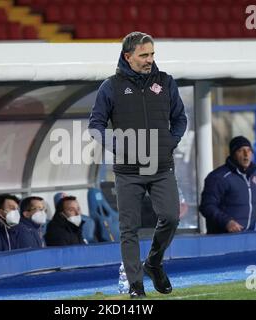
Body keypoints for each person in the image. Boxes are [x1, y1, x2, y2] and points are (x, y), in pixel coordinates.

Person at [88, 32, 187, 298]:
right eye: (144, 55)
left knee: (171, 217)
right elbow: (95, 126)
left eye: (152, 54)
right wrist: (119, 146)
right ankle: (136, 286)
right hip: (128, 171)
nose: (149, 60)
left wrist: (171, 141)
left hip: (161, 166)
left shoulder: (166, 82)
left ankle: (153, 263)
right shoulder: (110, 87)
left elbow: (180, 119)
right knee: (128, 229)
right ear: (127, 56)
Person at [200, 136, 256, 234]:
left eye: (249, 150)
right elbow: (207, 206)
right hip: (222, 238)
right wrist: (227, 222)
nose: (246, 154)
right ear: (233, 154)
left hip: (248, 237)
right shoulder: (219, 177)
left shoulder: (255, 176)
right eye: (241, 150)